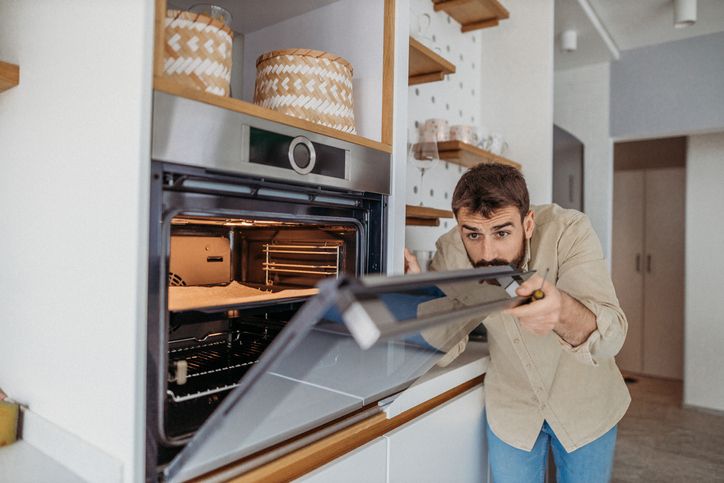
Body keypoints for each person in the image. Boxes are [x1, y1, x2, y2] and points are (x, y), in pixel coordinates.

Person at [404, 163, 630, 483]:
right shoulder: (452, 252)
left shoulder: (569, 230)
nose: (487, 253)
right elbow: (445, 347)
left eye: (502, 232)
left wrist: (561, 310)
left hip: (586, 405)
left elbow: (613, 338)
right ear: (459, 228)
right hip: (513, 409)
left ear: (528, 223)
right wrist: (418, 300)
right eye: (472, 234)